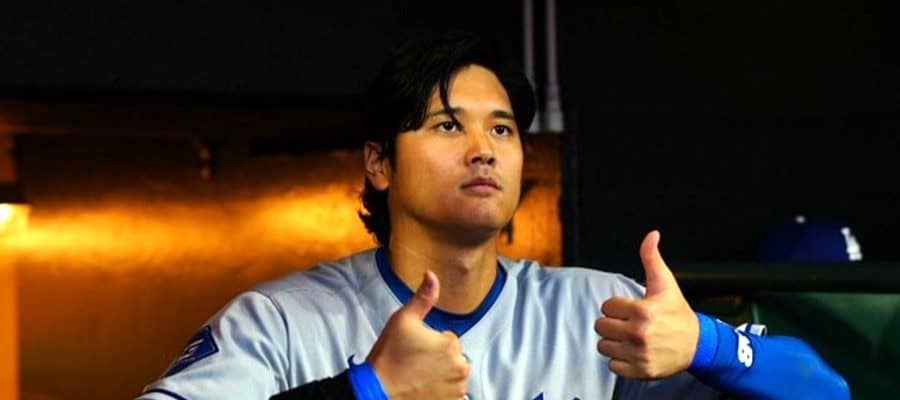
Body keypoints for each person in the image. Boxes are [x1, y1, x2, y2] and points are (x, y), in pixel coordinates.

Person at [137, 32, 849, 400]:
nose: (483, 149)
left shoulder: (599, 311)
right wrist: (365, 391)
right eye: (448, 126)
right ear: (379, 164)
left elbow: (831, 391)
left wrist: (708, 345)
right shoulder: (282, 322)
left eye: (502, 129)